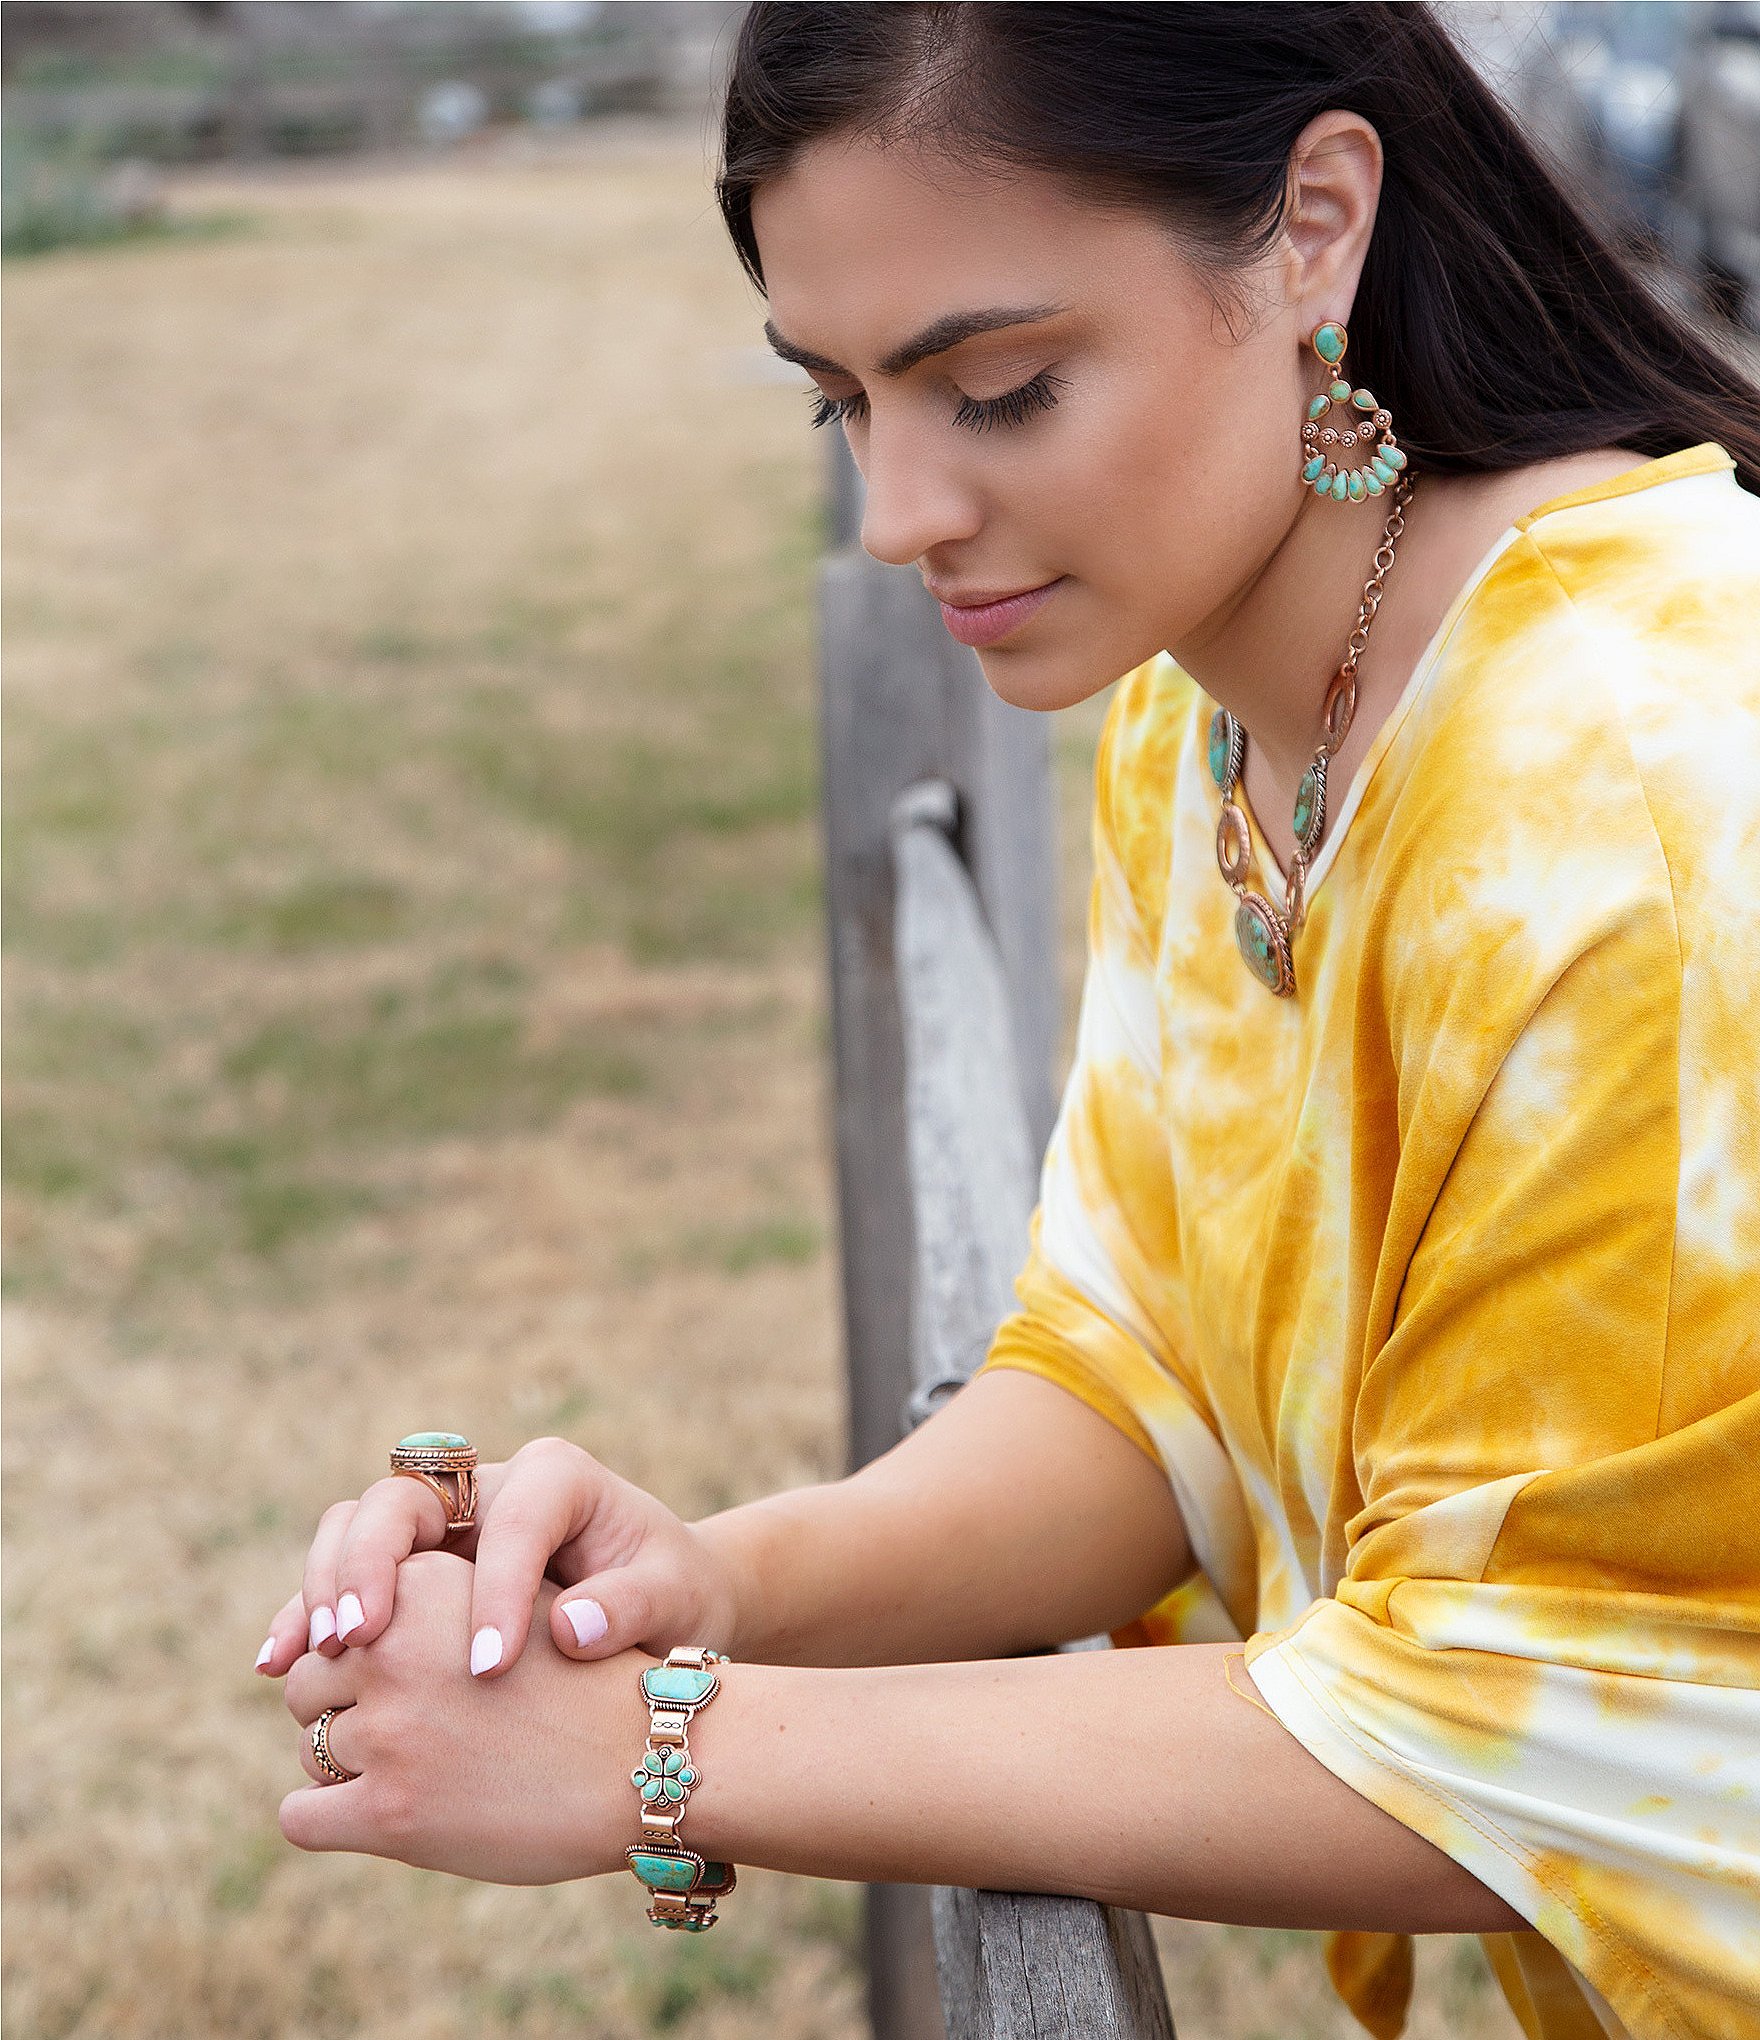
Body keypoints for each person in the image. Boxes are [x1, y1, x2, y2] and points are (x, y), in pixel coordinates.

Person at [256, 7, 1760, 2034]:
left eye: (1000, 387)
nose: (897, 516)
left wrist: (665, 1748)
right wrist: (701, 1587)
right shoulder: (1209, 697)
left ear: (1313, 225)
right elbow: (1138, 1380)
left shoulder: (1649, 781)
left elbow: (1537, 1699)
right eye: (840, 405)